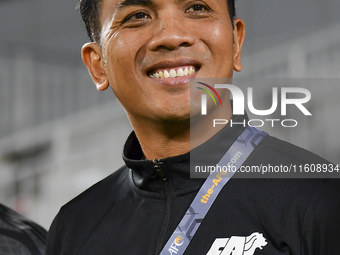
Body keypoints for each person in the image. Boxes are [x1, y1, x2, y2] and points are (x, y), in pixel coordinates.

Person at [46, 0, 340, 254]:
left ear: (235, 43)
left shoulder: (322, 199)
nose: (172, 36)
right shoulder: (74, 228)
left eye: (197, 7)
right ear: (98, 66)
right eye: (137, 15)